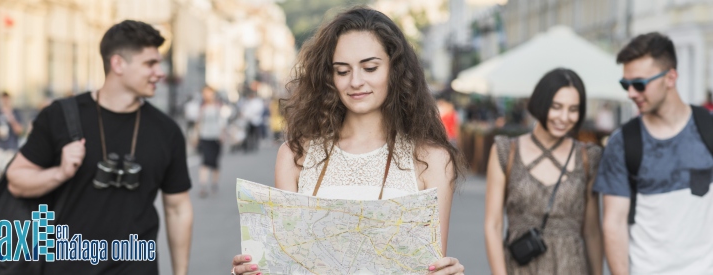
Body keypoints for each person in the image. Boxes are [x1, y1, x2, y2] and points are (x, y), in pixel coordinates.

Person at [231, 7, 467, 275]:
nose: (355, 81)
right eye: (342, 71)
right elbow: (287, 265)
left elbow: (430, 266)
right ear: (329, 77)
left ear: (395, 70)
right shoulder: (296, 156)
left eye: (369, 67)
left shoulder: (431, 160)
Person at [5, 20, 193, 275]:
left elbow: (178, 208)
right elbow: (16, 179)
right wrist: (60, 173)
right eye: (150, 63)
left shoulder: (167, 130)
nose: (160, 72)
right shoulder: (61, 116)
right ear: (118, 64)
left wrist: (181, 273)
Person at [594, 32, 713, 274]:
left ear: (671, 77)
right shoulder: (623, 143)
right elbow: (613, 225)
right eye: (625, 85)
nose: (631, 93)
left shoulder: (708, 128)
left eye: (639, 84)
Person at [484, 68, 603, 274]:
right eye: (556, 107)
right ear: (541, 103)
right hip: (520, 268)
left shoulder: (587, 157)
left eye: (573, 109)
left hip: (572, 267)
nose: (564, 117)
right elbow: (492, 225)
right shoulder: (506, 151)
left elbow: (591, 231)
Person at [193, 86, 226, 197]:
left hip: (216, 138)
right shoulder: (202, 107)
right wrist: (196, 136)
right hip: (204, 137)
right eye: (205, 93)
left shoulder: (219, 106)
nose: (207, 95)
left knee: (215, 162)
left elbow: (223, 122)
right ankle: (203, 185)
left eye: (209, 93)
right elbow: (198, 123)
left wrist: (222, 134)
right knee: (205, 161)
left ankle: (214, 183)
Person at [0, 91, 23, 173]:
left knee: (11, 171)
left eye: (7, 100)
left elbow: (19, 130)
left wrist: (10, 116)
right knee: (0, 171)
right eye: (3, 100)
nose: (5, 102)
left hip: (12, 147)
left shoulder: (15, 112)